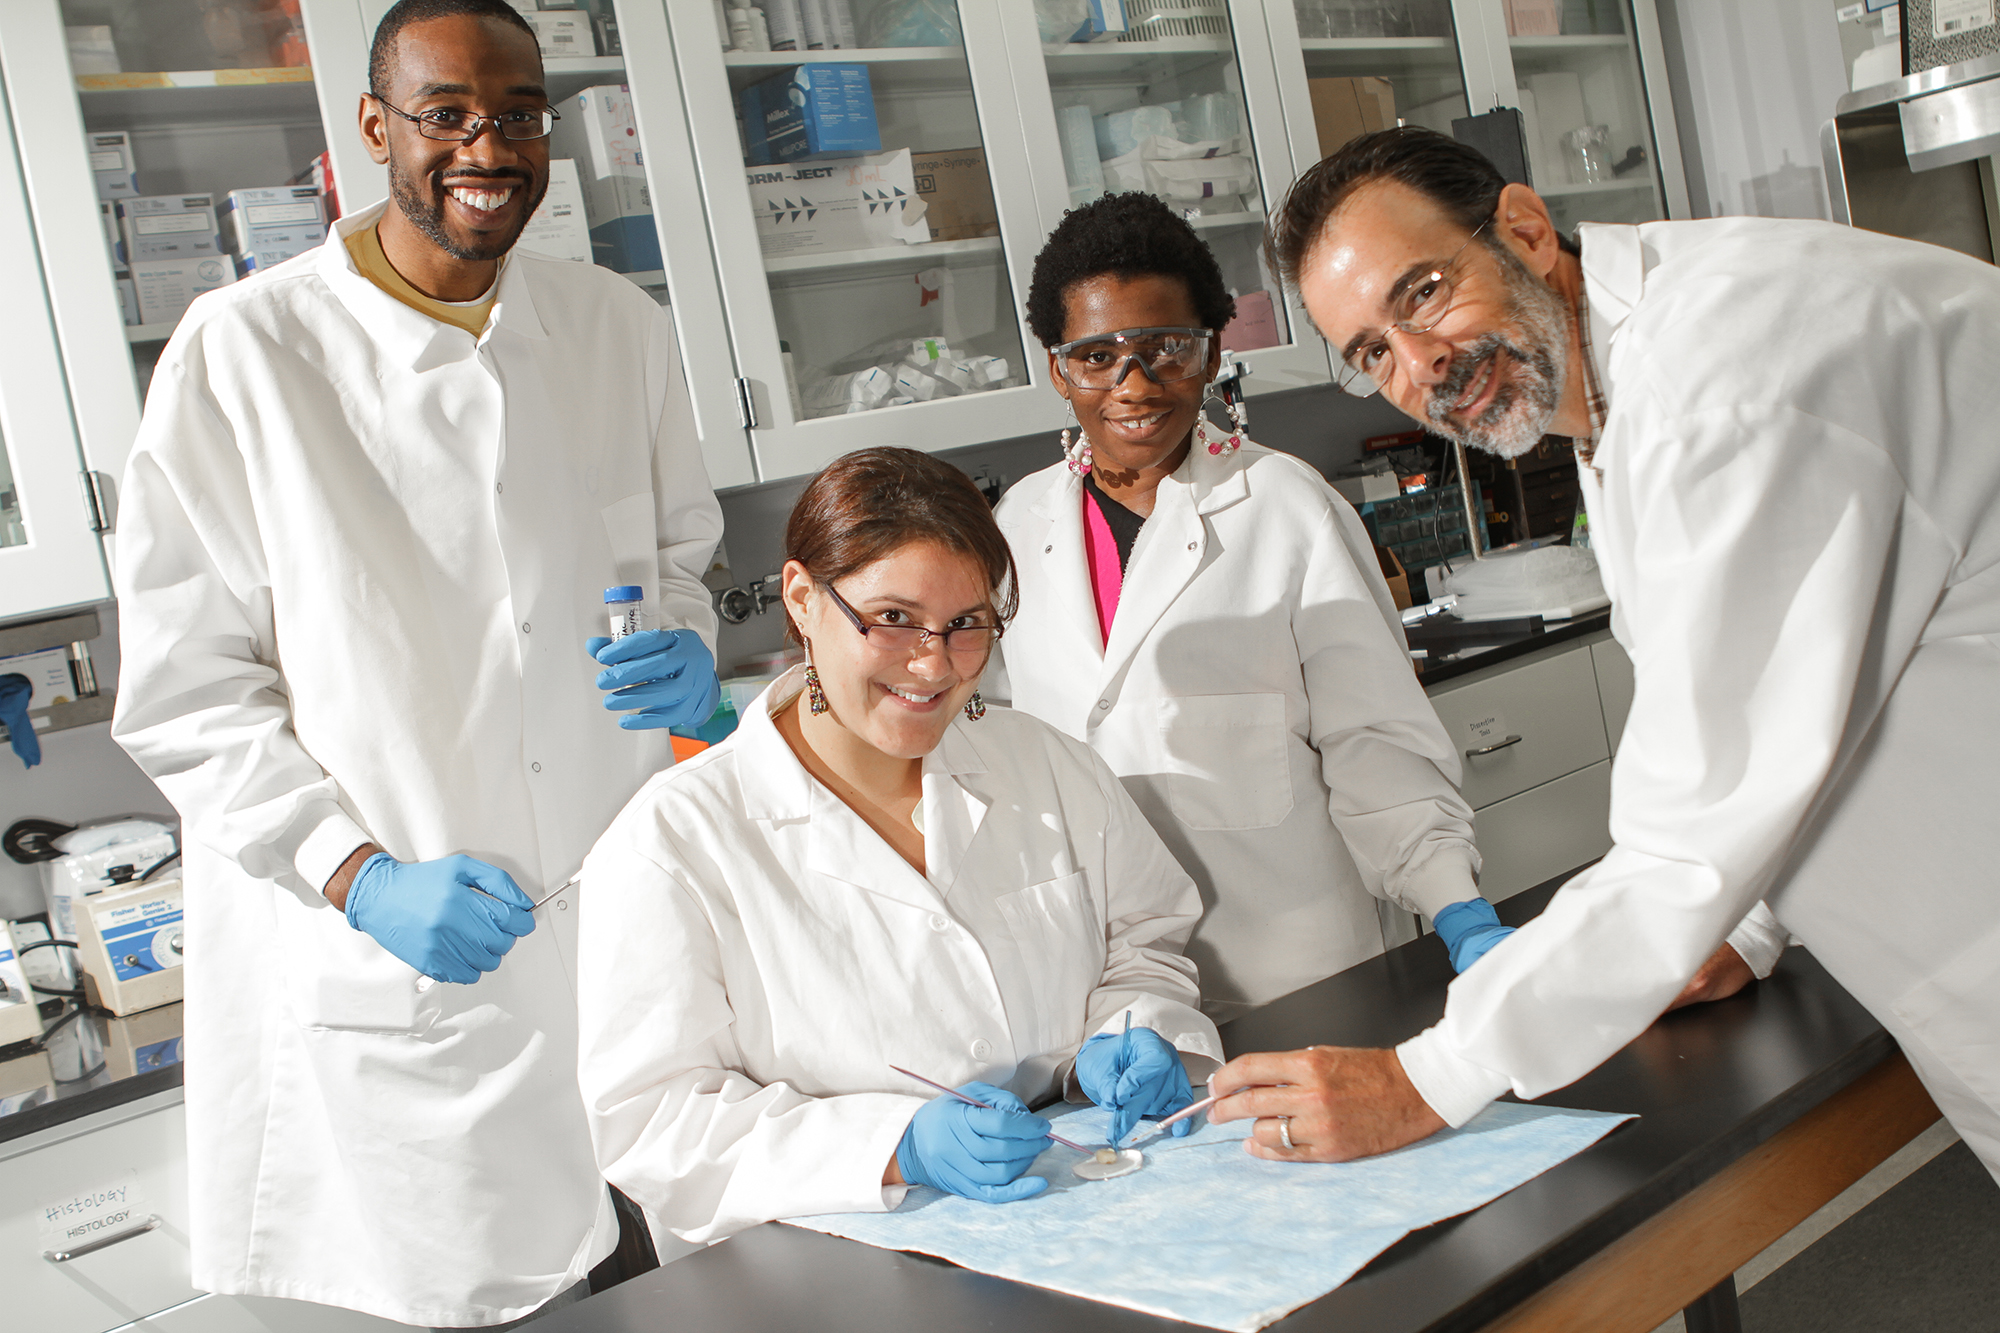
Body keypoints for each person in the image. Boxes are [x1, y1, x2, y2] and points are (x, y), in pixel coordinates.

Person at [1205, 126, 2000, 1182]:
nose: (1420, 365)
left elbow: (1696, 819)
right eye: (1370, 354)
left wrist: (1428, 1076)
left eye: (1424, 293)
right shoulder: (1618, 383)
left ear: (1525, 231)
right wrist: (1741, 922)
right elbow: (1808, 694)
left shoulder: (1717, 380)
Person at [110, 1, 722, 1324]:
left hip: (618, 960)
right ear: (376, 128)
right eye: (446, 113)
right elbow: (184, 694)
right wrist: (357, 873)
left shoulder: (618, 327)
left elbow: (676, 550)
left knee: (666, 1279)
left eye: (516, 112)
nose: (486, 146)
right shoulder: (245, 355)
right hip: (400, 981)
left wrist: (689, 644)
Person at [575, 447, 1222, 1246]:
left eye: (967, 626)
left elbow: (1146, 936)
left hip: (1083, 1225)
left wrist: (1136, 1024)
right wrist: (894, 1146)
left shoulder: (1045, 764)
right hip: (831, 1273)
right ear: (803, 599)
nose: (933, 664)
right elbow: (653, 1123)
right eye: (891, 619)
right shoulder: (670, 843)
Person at [999, 191, 1624, 1016]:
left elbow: (1373, 738)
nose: (1135, 384)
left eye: (1168, 350)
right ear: (1057, 368)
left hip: (1300, 975)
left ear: (1214, 352)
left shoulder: (1287, 505)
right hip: (1108, 996)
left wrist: (1453, 904)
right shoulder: (1015, 527)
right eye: (1097, 356)